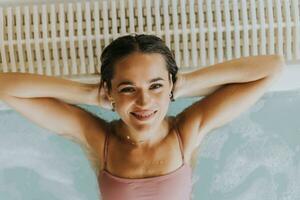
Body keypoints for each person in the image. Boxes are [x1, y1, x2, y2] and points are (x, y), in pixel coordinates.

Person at [0, 34, 284, 200]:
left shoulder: (187, 132)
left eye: (155, 85)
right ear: (109, 91)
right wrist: (87, 93)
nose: (144, 101)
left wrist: (186, 84)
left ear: (170, 84)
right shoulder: (99, 140)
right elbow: (4, 86)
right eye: (127, 88)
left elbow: (272, 67)